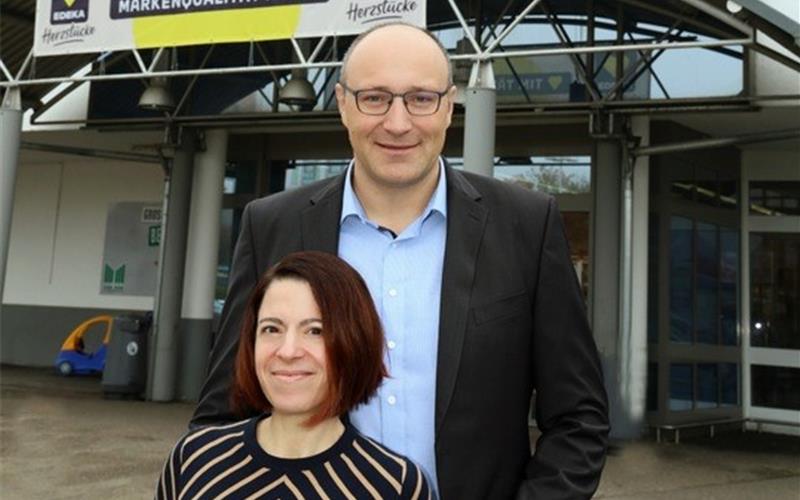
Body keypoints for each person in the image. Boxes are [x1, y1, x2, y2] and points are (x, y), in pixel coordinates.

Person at [193, 22, 609, 499]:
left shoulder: (526, 227)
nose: (397, 122)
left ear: (450, 105)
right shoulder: (271, 225)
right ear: (343, 105)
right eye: (374, 98)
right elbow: (226, 409)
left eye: (420, 98)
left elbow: (579, 418)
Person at [157, 251, 431, 499]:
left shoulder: (395, 486)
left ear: (354, 343)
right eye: (272, 329)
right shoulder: (195, 459)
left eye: (315, 331)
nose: (288, 351)